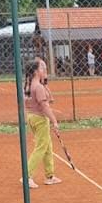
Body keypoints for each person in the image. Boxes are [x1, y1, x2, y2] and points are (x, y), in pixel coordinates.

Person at [23, 58, 63, 189]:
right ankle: (27, 175)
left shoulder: (28, 86)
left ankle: (49, 176)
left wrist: (44, 83)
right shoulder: (38, 87)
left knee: (47, 146)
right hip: (40, 119)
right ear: (35, 71)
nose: (43, 71)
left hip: (31, 117)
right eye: (41, 69)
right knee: (41, 147)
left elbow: (49, 99)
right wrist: (54, 122)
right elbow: (45, 106)